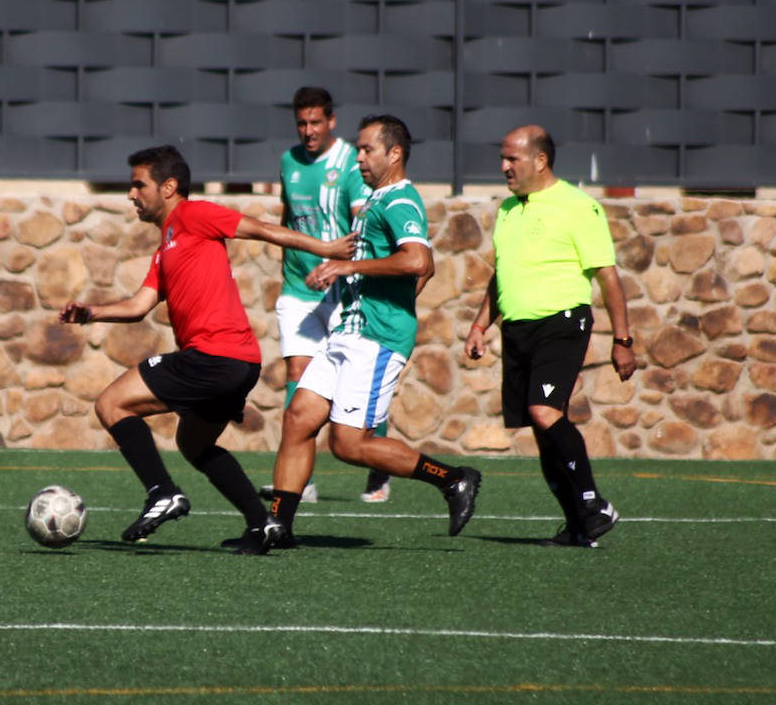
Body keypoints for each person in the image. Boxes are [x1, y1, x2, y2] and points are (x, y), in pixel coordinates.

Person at [59, 145, 355, 555]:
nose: (131, 194)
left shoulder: (193, 214)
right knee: (194, 444)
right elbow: (139, 305)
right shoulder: (165, 247)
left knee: (111, 404)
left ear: (168, 187)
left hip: (215, 356)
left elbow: (260, 228)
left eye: (137, 184)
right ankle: (262, 525)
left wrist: (326, 250)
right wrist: (91, 312)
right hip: (238, 363)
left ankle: (162, 491)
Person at [265, 115, 481, 545]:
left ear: (394, 153)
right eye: (358, 150)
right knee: (299, 417)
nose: (358, 157)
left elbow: (418, 261)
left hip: (375, 340)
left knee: (347, 445)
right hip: (346, 333)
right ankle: (276, 527)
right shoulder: (376, 200)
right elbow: (426, 265)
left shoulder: (400, 199)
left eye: (367, 150)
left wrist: (354, 269)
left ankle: (453, 478)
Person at [465, 125, 636, 547]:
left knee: (544, 411)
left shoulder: (578, 207)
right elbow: (501, 274)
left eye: (512, 159)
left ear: (540, 160)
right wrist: (480, 323)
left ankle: (595, 504)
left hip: (562, 322)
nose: (504, 166)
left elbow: (607, 275)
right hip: (518, 329)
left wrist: (623, 339)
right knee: (541, 431)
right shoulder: (507, 210)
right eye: (502, 158)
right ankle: (579, 525)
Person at [267, 86, 393, 506]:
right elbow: (288, 218)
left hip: (342, 291)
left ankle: (379, 467)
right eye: (301, 123)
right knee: (297, 376)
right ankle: (302, 481)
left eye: (316, 122)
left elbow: (362, 228)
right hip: (297, 289)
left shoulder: (349, 164)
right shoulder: (288, 161)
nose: (308, 131)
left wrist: (335, 266)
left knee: (353, 384)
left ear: (331, 121)